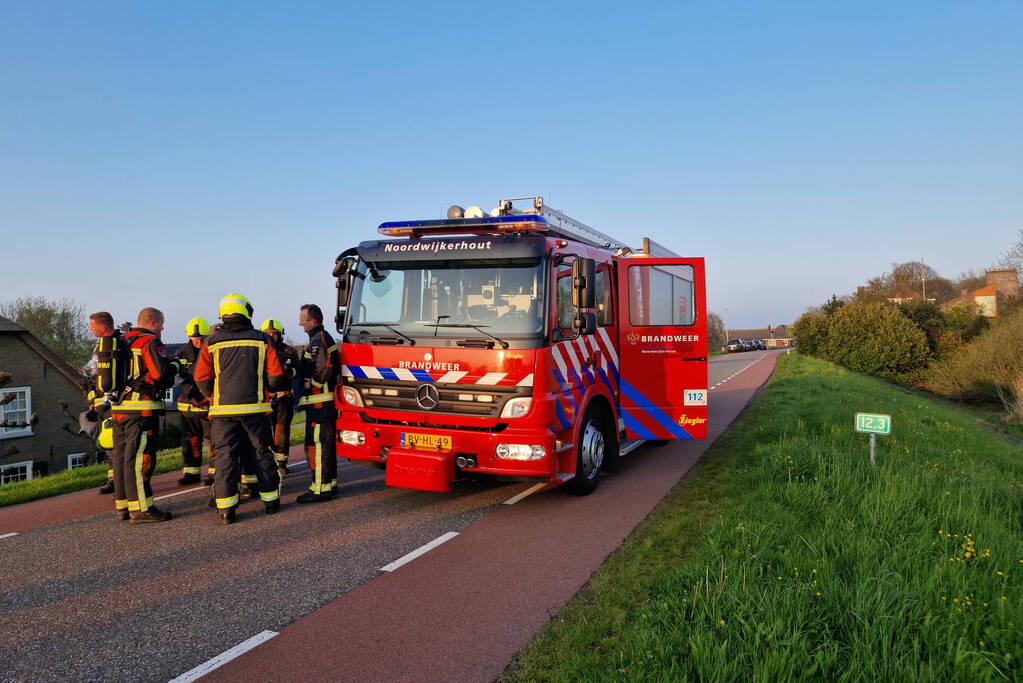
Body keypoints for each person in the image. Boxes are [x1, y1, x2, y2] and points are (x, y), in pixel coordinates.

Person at [194, 293, 289, 524]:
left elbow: (201, 377)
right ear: (247, 312)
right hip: (255, 410)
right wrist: (270, 389)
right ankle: (270, 502)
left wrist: (214, 396)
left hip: (223, 413)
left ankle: (227, 510)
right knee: (261, 453)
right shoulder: (261, 340)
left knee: (225, 457)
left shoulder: (212, 342)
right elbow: (276, 375)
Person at [110, 307, 177, 523]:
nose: (163, 328)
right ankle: (141, 510)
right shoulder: (148, 342)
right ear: (153, 322)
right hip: (141, 409)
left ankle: (123, 506)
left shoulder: (120, 341)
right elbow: (159, 374)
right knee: (140, 459)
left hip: (119, 409)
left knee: (121, 459)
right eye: (162, 323)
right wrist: (174, 365)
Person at [295, 303, 340, 503]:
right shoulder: (320, 338)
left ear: (312, 321)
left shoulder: (317, 341)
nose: (299, 323)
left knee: (318, 445)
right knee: (325, 445)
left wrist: (310, 382)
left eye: (302, 319)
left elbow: (325, 368)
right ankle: (328, 484)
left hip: (320, 404)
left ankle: (320, 489)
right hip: (321, 404)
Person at [175, 317, 215, 486]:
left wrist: (206, 397)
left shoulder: (214, 351)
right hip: (188, 407)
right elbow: (178, 378)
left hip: (208, 405)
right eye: (194, 338)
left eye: (201, 338)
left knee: (213, 441)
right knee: (190, 441)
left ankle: (214, 472)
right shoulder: (181, 354)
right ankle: (191, 472)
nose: (198, 341)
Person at [84, 312, 120, 495]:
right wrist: (92, 400)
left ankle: (118, 480)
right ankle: (113, 478)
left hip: (114, 405)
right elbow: (92, 376)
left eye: (92, 326)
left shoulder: (117, 344)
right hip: (101, 406)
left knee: (114, 443)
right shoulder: (99, 345)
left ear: (103, 327)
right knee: (107, 443)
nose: (90, 329)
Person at [260, 318, 299, 477]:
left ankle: (281, 462)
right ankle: (265, 463)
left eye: (274, 333)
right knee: (262, 432)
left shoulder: (289, 351)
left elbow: (297, 370)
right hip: (264, 398)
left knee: (281, 430)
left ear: (280, 335)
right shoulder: (259, 350)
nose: (271, 336)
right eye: (268, 333)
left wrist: (287, 370)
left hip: (283, 398)